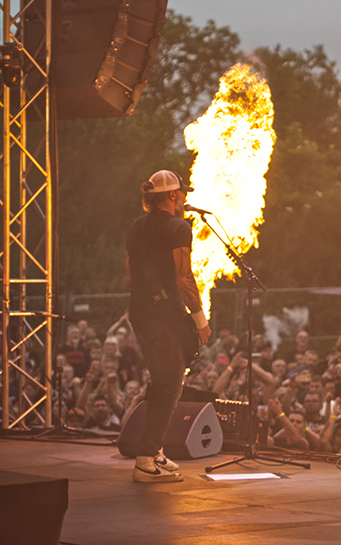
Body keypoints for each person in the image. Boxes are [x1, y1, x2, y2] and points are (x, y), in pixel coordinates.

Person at [125, 170, 211, 482]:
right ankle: (146, 460)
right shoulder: (179, 227)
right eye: (182, 194)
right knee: (170, 384)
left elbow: (129, 271)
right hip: (164, 317)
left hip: (140, 313)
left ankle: (156, 451)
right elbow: (184, 278)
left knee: (162, 381)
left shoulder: (136, 226)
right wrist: (200, 320)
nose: (185, 199)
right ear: (173, 196)